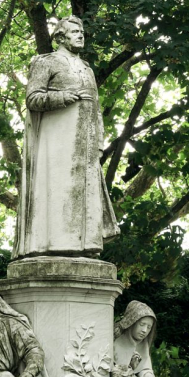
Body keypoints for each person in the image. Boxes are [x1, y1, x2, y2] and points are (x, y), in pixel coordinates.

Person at [15, 16, 119, 257]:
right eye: (74, 32)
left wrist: (99, 143)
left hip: (85, 145)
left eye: (82, 31)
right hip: (56, 144)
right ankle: (53, 244)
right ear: (60, 37)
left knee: (85, 194)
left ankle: (84, 245)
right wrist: (62, 97)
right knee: (57, 192)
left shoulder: (87, 69)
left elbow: (96, 110)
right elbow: (32, 98)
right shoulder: (46, 62)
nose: (81, 35)